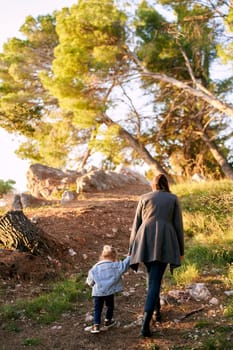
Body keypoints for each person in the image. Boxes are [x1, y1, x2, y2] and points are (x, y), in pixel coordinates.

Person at [128, 173, 184, 337]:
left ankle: (156, 312)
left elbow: (136, 224)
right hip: (164, 242)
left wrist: (132, 248)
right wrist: (180, 250)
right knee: (155, 280)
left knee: (152, 278)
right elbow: (178, 226)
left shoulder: (144, 197)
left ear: (154, 184)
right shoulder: (173, 198)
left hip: (144, 239)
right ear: (166, 184)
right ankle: (145, 326)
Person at [86, 245, 130, 334]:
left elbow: (90, 281)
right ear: (114, 257)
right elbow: (125, 265)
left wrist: (92, 285)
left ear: (102, 256)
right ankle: (108, 320)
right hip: (109, 292)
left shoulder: (95, 267)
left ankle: (96, 326)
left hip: (98, 292)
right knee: (110, 306)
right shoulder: (115, 266)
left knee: (97, 308)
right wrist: (130, 256)